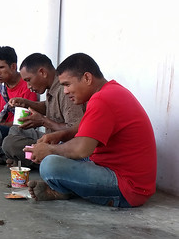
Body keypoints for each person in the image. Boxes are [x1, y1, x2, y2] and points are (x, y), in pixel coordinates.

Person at [27, 53, 156, 207]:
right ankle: (65, 188)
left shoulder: (102, 99)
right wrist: (61, 134)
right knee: (61, 146)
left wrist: (49, 150)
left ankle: (63, 188)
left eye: (67, 84)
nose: (66, 91)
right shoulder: (110, 91)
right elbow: (84, 130)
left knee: (50, 165)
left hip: (128, 188)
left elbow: (82, 149)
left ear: (87, 78)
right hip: (116, 171)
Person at [2, 53, 85, 165]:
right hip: (51, 138)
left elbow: (75, 130)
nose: (28, 86)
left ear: (42, 72)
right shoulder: (51, 87)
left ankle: (28, 159)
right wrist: (26, 103)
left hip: (64, 145)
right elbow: (48, 106)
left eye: (28, 80)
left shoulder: (65, 91)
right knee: (15, 130)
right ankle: (20, 158)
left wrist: (43, 121)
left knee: (10, 143)